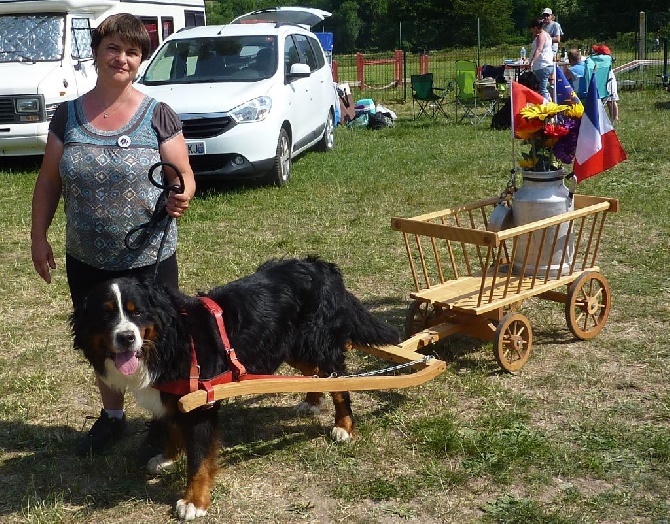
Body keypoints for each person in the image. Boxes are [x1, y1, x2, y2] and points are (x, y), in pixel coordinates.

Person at [30, 13, 196, 457]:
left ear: (141, 59)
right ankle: (113, 415)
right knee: (100, 335)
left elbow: (184, 175)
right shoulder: (67, 115)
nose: (122, 58)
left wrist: (181, 195)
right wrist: (38, 236)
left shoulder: (157, 114)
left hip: (149, 257)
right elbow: (49, 181)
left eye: (133, 51)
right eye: (113, 48)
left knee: (160, 338)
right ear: (98, 52)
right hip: (86, 257)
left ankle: (166, 418)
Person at [591, 44, 619, 122]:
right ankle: (614, 118)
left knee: (611, 101)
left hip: (606, 83)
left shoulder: (598, 60)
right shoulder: (608, 60)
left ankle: (615, 118)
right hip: (608, 81)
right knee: (611, 101)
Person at [528, 18, 554, 101]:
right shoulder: (547, 34)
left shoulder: (541, 36)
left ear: (535, 27)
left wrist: (532, 61)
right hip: (548, 64)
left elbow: (539, 49)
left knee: (543, 90)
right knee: (544, 88)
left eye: (532, 29)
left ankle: (549, 108)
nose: (531, 31)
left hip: (542, 66)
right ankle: (550, 104)